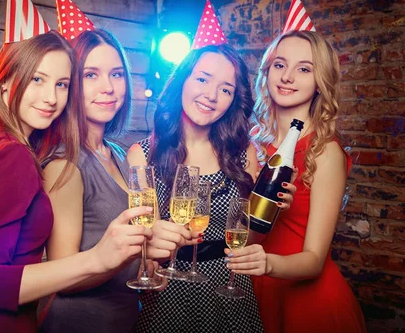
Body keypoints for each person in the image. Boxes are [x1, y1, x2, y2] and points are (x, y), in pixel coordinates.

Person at [0, 30, 154, 333]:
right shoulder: (12, 155)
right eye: (37, 79)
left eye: (61, 84)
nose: (51, 97)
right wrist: (97, 259)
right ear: (5, 81)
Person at [38, 27, 194, 332]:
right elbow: (64, 278)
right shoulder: (64, 163)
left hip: (124, 320)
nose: (108, 87)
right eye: (91, 75)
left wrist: (150, 268)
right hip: (78, 323)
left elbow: (133, 254)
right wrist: (133, 254)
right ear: (70, 84)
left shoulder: (119, 155)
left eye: (117, 74)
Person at [226, 30, 367, 332]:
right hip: (251, 294)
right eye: (280, 65)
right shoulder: (250, 142)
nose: (287, 77)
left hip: (308, 304)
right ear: (267, 71)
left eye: (304, 69)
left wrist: (269, 264)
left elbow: (314, 260)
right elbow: (243, 233)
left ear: (320, 82)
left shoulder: (325, 152)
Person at [128, 43, 268, 333]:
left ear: (234, 100)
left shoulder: (244, 154)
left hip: (228, 287)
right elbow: (145, 244)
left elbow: (251, 240)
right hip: (170, 291)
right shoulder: (143, 155)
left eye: (226, 89)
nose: (211, 96)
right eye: (203, 79)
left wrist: (271, 206)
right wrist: (149, 260)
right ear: (183, 81)